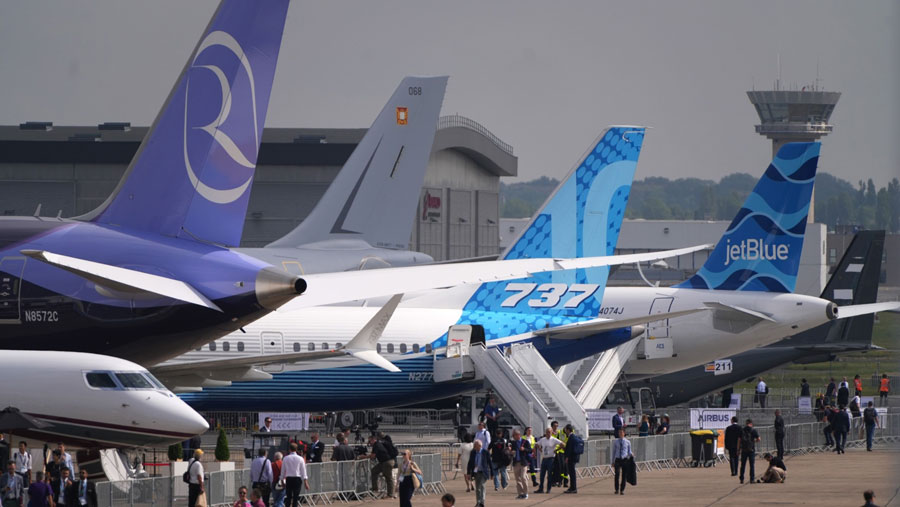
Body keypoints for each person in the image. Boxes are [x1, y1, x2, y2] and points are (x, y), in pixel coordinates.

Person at [533, 427, 563, 494]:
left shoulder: (554, 440)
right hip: (544, 459)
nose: (548, 433)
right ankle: (541, 488)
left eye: (549, 432)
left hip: (551, 459)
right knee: (542, 475)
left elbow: (562, 444)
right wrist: (539, 449)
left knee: (549, 475)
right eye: (547, 432)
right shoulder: (543, 439)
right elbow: (536, 444)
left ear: (551, 432)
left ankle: (548, 489)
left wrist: (556, 450)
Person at [280, 442, 310, 507]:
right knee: (296, 498)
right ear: (296, 449)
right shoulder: (300, 458)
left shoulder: (285, 458)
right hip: (297, 479)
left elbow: (282, 471)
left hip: (289, 478)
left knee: (288, 497)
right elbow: (303, 471)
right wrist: (305, 482)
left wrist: (282, 480)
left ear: (289, 449)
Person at [366, 435, 394, 499]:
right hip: (383, 462)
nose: (369, 443)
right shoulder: (378, 444)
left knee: (388, 478)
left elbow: (373, 456)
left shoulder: (376, 445)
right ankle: (375, 488)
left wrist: (364, 457)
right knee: (374, 470)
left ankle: (390, 494)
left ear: (373, 440)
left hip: (387, 462)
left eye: (369, 441)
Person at [466, 440, 492, 507]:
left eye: (475, 446)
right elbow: (470, 463)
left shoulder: (485, 452)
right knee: (477, 488)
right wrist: (468, 473)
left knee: (482, 485)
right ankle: (478, 502)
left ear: (480, 446)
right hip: (476, 472)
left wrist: (492, 473)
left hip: (483, 472)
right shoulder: (473, 452)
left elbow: (490, 463)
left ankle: (482, 502)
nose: (474, 447)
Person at [509, 429, 531, 499]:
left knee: (523, 477)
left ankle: (526, 493)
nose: (513, 437)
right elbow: (512, 451)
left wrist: (524, 449)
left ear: (518, 435)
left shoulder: (525, 442)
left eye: (514, 435)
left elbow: (530, 450)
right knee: (517, 479)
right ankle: (520, 493)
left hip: (523, 462)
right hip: (516, 462)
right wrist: (511, 452)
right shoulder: (513, 443)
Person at [611, 428, 632, 495]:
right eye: (619, 432)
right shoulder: (615, 442)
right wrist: (612, 461)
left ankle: (622, 489)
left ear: (624, 433)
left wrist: (631, 454)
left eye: (621, 432)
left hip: (624, 459)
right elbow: (613, 452)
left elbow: (629, 451)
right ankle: (616, 489)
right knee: (617, 474)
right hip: (617, 459)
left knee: (624, 475)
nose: (620, 434)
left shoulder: (628, 442)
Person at [739, 419, 760, 484]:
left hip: (744, 450)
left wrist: (738, 449)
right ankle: (752, 479)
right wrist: (754, 441)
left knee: (743, 465)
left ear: (746, 423)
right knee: (752, 465)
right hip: (751, 449)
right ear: (751, 423)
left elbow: (739, 440)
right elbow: (759, 439)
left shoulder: (742, 430)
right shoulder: (753, 430)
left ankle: (742, 479)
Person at [562, 424, 580, 494]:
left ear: (568, 430)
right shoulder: (573, 436)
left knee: (572, 473)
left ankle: (573, 488)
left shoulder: (571, 437)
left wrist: (567, 457)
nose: (565, 431)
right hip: (574, 457)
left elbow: (569, 449)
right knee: (572, 473)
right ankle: (572, 487)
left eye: (566, 430)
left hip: (571, 458)